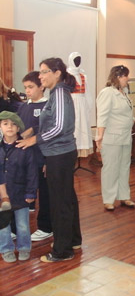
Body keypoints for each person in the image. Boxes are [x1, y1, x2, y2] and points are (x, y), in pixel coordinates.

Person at [16, 57, 82, 263]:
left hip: (59, 155)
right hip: (57, 153)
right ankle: (72, 239)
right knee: (67, 198)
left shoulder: (60, 93)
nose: (41, 76)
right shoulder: (57, 93)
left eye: (44, 72)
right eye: (40, 72)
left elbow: (60, 126)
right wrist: (33, 131)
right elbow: (52, 123)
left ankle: (62, 250)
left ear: (57, 73)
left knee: (60, 202)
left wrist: (35, 139)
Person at [18, 71, 52, 241]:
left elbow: (49, 133)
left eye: (31, 87)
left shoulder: (47, 107)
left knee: (45, 194)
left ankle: (46, 227)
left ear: (41, 86)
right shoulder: (23, 107)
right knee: (23, 192)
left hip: (41, 158)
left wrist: (47, 160)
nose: (28, 91)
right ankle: (17, 228)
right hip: (25, 159)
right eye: (25, 88)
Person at [96, 65, 135, 211]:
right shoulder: (108, 92)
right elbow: (102, 115)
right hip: (112, 137)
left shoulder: (124, 92)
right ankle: (108, 199)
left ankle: (124, 196)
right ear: (118, 77)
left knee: (124, 167)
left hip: (126, 136)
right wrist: (100, 135)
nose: (128, 78)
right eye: (126, 76)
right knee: (111, 168)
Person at [0, 111, 37, 263]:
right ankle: (6, 248)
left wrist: (30, 193)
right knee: (3, 225)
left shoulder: (25, 148)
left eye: (13, 124)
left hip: (21, 193)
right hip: (2, 195)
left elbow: (32, 172)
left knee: (22, 224)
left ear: (19, 128)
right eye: (5, 123)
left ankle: (24, 247)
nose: (10, 127)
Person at [67, 52, 93, 158]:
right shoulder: (67, 75)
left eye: (79, 60)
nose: (78, 62)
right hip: (72, 103)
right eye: (75, 60)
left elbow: (87, 93)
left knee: (83, 128)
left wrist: (89, 107)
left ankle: (81, 149)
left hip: (82, 104)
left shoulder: (83, 76)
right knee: (75, 128)